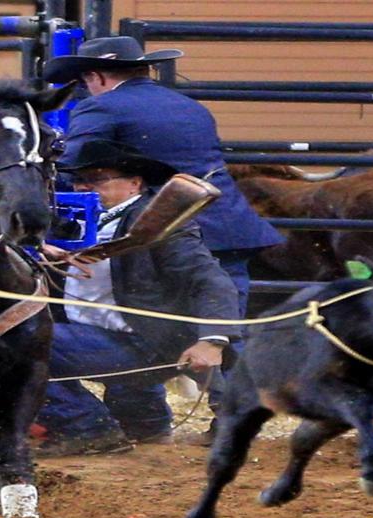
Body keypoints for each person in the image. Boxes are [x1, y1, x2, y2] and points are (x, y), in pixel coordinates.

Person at [42, 36, 284, 443]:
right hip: (224, 221)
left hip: (157, 223)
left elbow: (72, 166)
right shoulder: (189, 106)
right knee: (220, 321)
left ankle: (111, 426)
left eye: (85, 81)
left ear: (96, 76)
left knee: (138, 313)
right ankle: (230, 422)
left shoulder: (99, 106)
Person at [35, 140, 242, 457]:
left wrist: (213, 339)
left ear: (135, 183)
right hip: (115, 337)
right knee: (142, 432)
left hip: (142, 342)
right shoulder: (70, 222)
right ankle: (145, 425)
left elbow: (207, 277)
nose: (84, 187)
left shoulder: (158, 223)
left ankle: (88, 429)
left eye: (98, 179)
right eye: (79, 180)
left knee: (17, 344)